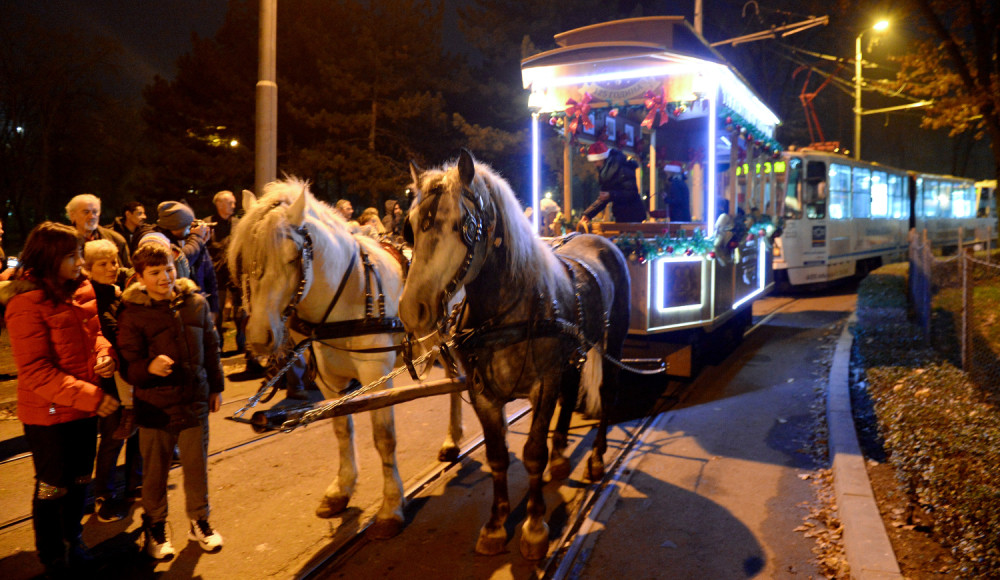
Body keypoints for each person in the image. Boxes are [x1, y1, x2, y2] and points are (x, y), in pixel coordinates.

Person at [0, 222, 119, 575]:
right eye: (72, 255)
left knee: (81, 478)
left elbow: (96, 334)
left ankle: (74, 539)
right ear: (50, 258)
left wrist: (105, 355)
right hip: (48, 414)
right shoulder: (25, 302)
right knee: (52, 486)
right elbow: (35, 370)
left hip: (84, 408)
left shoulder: (81, 289)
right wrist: (92, 396)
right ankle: (51, 553)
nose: (80, 262)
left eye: (79, 253)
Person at [116, 243, 225, 560]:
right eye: (155, 273)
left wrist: (215, 387)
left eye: (168, 269)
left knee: (196, 467)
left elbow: (212, 346)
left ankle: (200, 521)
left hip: (194, 400)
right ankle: (155, 525)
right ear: (140, 277)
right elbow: (127, 364)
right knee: (155, 472)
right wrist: (147, 368)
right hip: (155, 408)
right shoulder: (133, 314)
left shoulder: (195, 303)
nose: (165, 277)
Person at [83, 240, 142, 523]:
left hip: (129, 377)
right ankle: (103, 495)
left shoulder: (118, 294)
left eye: (114, 262)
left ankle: (133, 485)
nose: (111, 268)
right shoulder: (91, 299)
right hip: (110, 380)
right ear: (87, 268)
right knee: (112, 438)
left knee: (135, 433)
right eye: (103, 264)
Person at [154, 201, 218, 317]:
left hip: (198, 303)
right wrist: (197, 238)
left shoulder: (193, 240)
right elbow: (182, 263)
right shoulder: (160, 242)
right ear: (174, 226)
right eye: (187, 226)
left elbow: (209, 275)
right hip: (176, 308)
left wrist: (213, 307)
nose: (190, 230)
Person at [206, 190, 244, 353]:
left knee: (241, 312)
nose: (234, 206)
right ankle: (218, 346)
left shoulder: (239, 224)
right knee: (217, 311)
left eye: (234, 202)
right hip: (217, 276)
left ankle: (242, 346)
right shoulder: (208, 225)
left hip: (237, 275)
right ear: (219, 204)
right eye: (230, 203)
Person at [578, 142, 647, 225]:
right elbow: (603, 198)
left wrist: (611, 195)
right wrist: (588, 214)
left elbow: (631, 193)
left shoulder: (622, 169)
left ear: (602, 158)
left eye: (595, 161)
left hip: (633, 215)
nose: (595, 165)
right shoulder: (606, 173)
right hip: (622, 215)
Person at [66, 194, 132, 269]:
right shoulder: (63, 241)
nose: (92, 216)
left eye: (95, 212)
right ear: (72, 215)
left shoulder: (116, 240)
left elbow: (128, 272)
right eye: (86, 212)